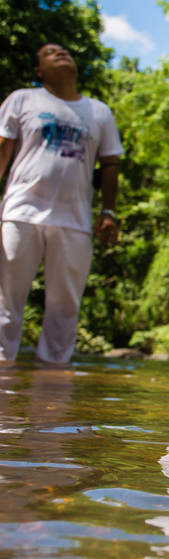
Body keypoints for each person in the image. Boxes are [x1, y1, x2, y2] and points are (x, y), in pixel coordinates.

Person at [0, 43, 121, 365]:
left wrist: (107, 212)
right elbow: (3, 150)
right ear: (39, 70)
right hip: (21, 211)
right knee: (6, 299)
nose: (60, 52)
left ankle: (52, 387)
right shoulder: (22, 99)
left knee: (65, 305)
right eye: (49, 52)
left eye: (64, 51)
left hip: (75, 220)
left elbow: (110, 164)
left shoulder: (99, 112)